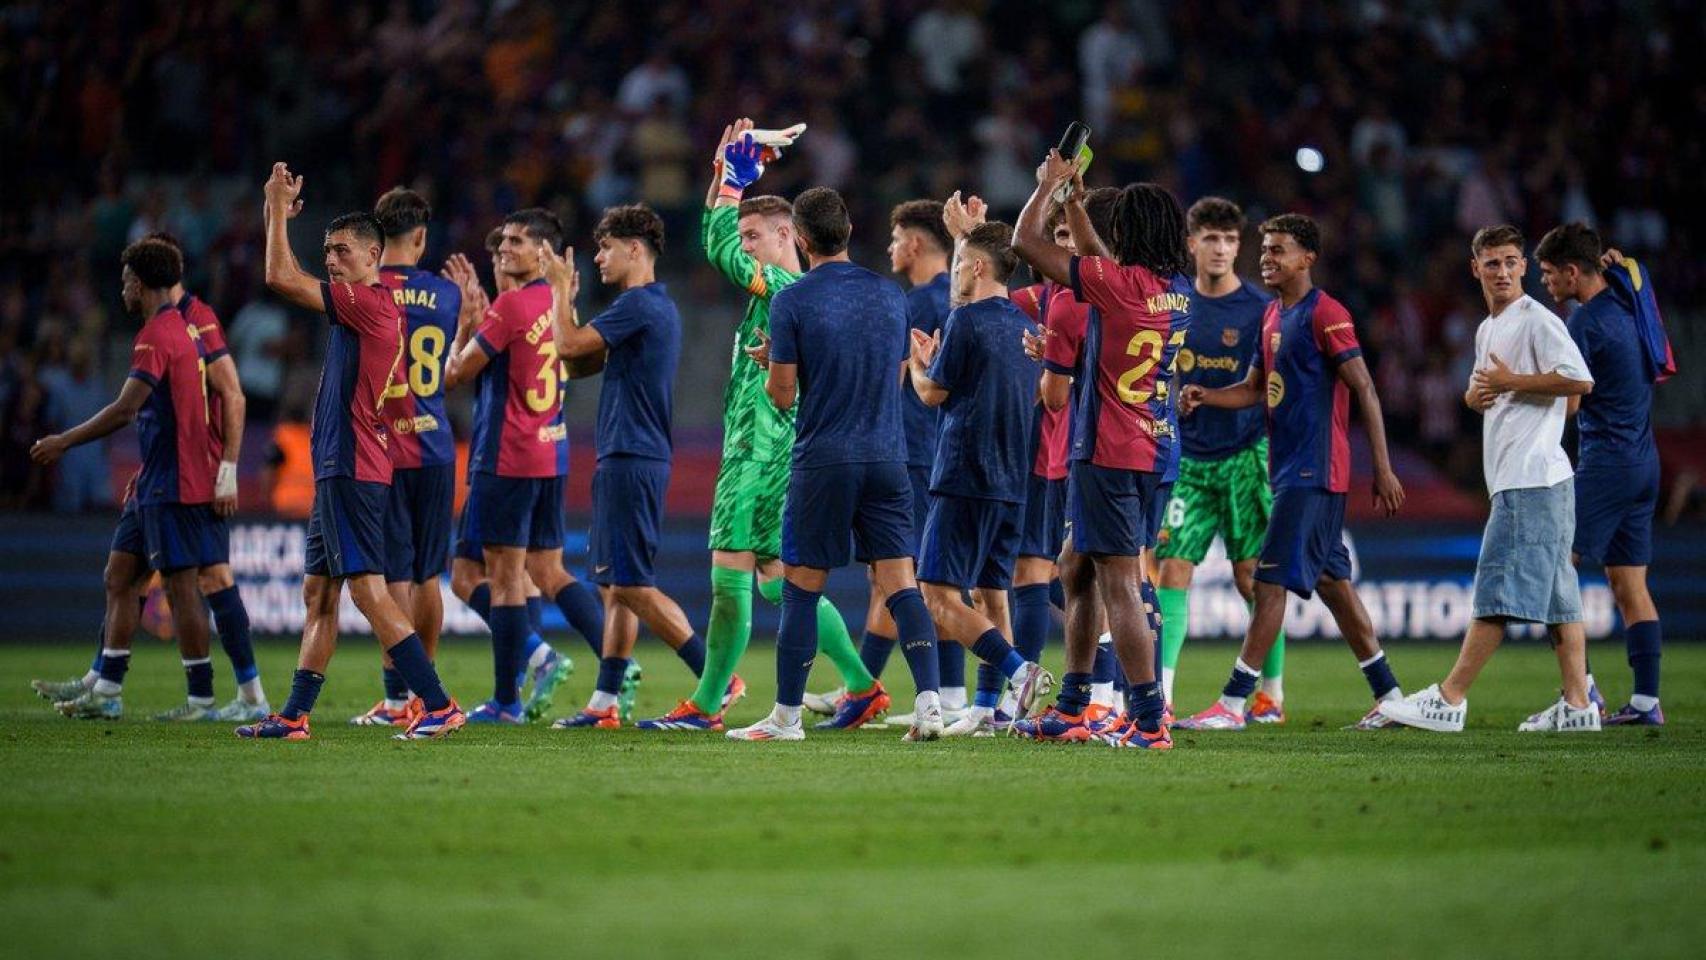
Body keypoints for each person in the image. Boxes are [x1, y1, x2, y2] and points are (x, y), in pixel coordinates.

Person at [638, 122, 882, 732]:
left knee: (730, 575)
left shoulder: (780, 286)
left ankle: (707, 701)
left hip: (758, 450)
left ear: (786, 236)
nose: (743, 246)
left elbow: (713, 243)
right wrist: (727, 175)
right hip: (781, 450)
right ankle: (861, 686)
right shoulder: (790, 296)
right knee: (775, 580)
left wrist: (729, 184)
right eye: (744, 234)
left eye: (755, 235)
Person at [238, 162, 461, 741]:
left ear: (372, 255)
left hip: (354, 463)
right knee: (320, 591)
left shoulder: (369, 301)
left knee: (367, 589)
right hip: (342, 462)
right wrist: (277, 213)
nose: (331, 260)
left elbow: (280, 278)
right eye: (328, 250)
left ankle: (436, 704)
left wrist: (276, 213)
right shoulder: (363, 305)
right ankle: (293, 715)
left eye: (340, 251)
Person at [1174, 213, 1407, 732]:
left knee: (1269, 583)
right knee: (1334, 587)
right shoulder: (1272, 316)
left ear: (1308, 259)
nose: (1266, 258)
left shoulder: (1326, 313)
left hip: (1314, 471)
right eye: (1265, 249)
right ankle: (1390, 695)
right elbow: (1255, 389)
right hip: (1287, 471)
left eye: (1278, 250)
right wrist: (1206, 394)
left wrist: (1383, 469)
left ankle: (1234, 703)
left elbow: (1364, 388)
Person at [730, 186, 947, 742]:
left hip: (824, 459)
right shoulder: (891, 295)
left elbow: (782, 395)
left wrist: (776, 362)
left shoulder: (792, 301)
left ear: (799, 239)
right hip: (887, 456)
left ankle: (786, 719)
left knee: (801, 587)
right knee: (901, 583)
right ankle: (930, 707)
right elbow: (897, 375)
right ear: (848, 232)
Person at [33, 232, 268, 722]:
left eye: (125, 282)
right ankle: (105, 686)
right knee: (120, 574)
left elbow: (128, 410)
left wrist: (63, 441)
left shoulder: (175, 329)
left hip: (181, 480)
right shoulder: (175, 329)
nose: (122, 291)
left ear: (141, 283)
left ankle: (211, 696)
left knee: (192, 585)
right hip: (157, 479)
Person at [1379, 224, 1599, 732]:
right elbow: (1497, 391)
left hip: (1530, 481)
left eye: (1511, 262)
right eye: (1492, 263)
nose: (1502, 271)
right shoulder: (1487, 328)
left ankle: (1449, 698)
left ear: (1524, 267)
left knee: (1496, 592)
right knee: (1561, 601)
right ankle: (1578, 706)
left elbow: (1580, 380)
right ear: (1474, 267)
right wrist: (1474, 398)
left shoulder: (1537, 321)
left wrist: (1513, 385)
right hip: (1536, 478)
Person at [1010, 152, 1186, 749]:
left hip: (1109, 448)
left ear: (1128, 234)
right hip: (1149, 445)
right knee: (1073, 566)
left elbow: (1024, 241)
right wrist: (1079, 203)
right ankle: (1073, 707)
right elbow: (1100, 263)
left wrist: (1046, 191)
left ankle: (1148, 718)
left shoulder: (1114, 289)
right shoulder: (1174, 291)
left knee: (1118, 581)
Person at [546, 204, 718, 729]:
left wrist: (558, 291)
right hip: (629, 453)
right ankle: (604, 702)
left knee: (632, 585)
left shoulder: (638, 304)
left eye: (605, 248)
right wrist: (571, 312)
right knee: (615, 585)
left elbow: (567, 345)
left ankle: (716, 678)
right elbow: (578, 362)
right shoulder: (646, 309)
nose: (597, 257)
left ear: (635, 250)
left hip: (633, 455)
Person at [439, 207, 605, 725]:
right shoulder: (556, 305)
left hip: (506, 455)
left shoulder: (509, 307)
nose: (505, 249)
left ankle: (508, 697)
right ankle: (613, 669)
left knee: (503, 579)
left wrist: (466, 324)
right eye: (501, 242)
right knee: (541, 572)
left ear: (543, 253)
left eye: (514, 241)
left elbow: (453, 376)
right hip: (550, 451)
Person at [805, 197, 960, 724]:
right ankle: (872, 687)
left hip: (910, 446)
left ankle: (879, 691)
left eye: (896, 240)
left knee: (903, 576)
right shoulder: (958, 298)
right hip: (935, 448)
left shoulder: (912, 303)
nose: (891, 249)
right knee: (908, 574)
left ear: (914, 244)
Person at [909, 214, 1053, 737]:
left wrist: (919, 362)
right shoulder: (1027, 328)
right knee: (992, 596)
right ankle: (988, 711)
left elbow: (931, 394)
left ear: (973, 265)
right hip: (1012, 481)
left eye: (959, 261)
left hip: (965, 475)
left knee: (938, 595)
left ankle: (1021, 673)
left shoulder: (968, 321)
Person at [1536, 222, 1673, 725]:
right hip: (1644, 462)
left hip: (1608, 463)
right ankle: (1645, 703)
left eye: (1550, 274)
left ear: (1574, 272)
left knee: (1554, 567)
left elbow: (1571, 403)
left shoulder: (1585, 324)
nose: (1546, 283)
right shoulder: (1630, 305)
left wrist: (1516, 388)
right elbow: (1633, 273)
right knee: (1629, 584)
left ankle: (1582, 690)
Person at [1154, 198, 1285, 718]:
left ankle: (1270, 692)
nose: (1221, 249)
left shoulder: (1257, 310)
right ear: (1191, 243)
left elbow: (1270, 386)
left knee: (1250, 576)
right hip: (1188, 458)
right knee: (1172, 571)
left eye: (1230, 240)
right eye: (1211, 238)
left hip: (1245, 458)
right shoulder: (1176, 301)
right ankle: (1159, 696)